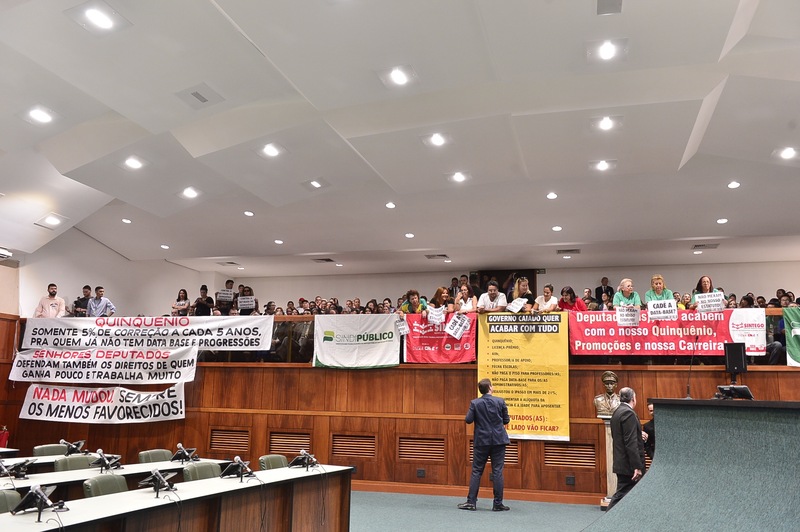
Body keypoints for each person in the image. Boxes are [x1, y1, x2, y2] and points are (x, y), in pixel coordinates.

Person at [458, 378, 510, 512]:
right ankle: (498, 503)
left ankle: (471, 502)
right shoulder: (500, 401)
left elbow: (468, 420)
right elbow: (506, 420)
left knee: (476, 471)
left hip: (482, 441)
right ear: (490, 388)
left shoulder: (475, 403)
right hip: (499, 440)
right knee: (497, 471)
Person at [607, 387, 645, 510]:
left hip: (621, 462)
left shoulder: (617, 412)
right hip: (629, 465)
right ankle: (608, 518)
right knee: (621, 495)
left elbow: (621, 436)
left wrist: (639, 434)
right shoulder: (628, 413)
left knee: (628, 495)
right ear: (633, 398)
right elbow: (630, 442)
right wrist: (637, 466)